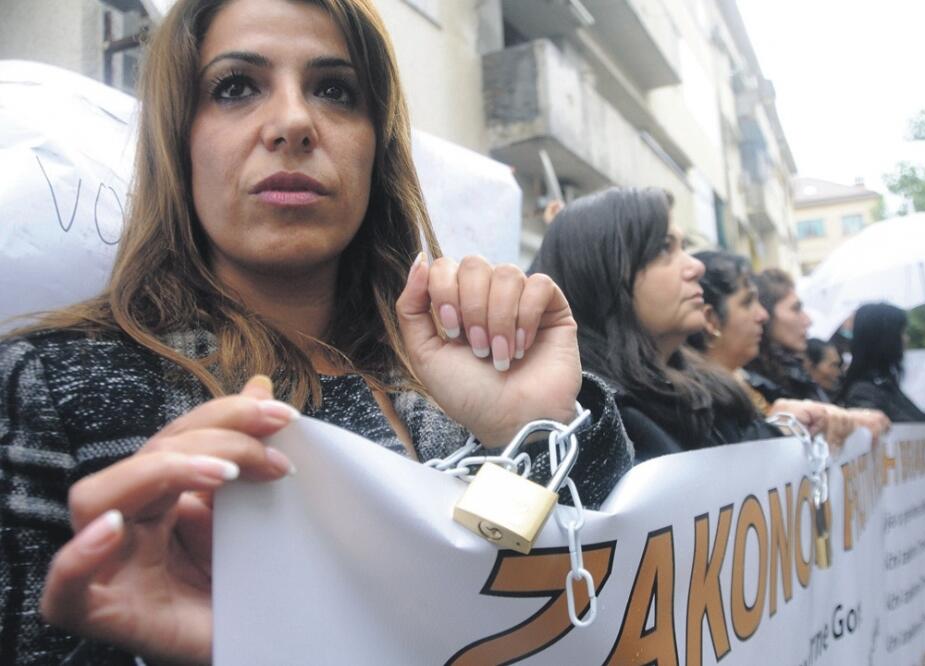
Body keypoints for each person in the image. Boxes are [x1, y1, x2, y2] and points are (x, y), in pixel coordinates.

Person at [0, 1, 633, 663]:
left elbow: (590, 615)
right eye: (235, 87)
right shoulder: (51, 388)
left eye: (335, 90)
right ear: (178, 135)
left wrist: (532, 430)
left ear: (377, 144)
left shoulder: (453, 379)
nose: (294, 122)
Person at [531, 188, 777, 460]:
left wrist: (781, 428)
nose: (697, 267)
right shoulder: (592, 423)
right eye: (663, 247)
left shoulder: (706, 389)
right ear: (602, 273)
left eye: (683, 247)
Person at [690, 250, 875, 446]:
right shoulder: (696, 405)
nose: (762, 315)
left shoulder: (759, 384)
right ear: (710, 319)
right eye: (748, 302)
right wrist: (779, 428)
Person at [838, 303, 925, 423]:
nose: (906, 339)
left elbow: (913, 425)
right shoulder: (863, 393)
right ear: (886, 339)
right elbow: (895, 431)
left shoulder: (885, 383)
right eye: (902, 332)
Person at [744, 268, 829, 404]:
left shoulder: (793, 370)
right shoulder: (752, 383)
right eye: (795, 309)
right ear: (766, 314)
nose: (808, 320)